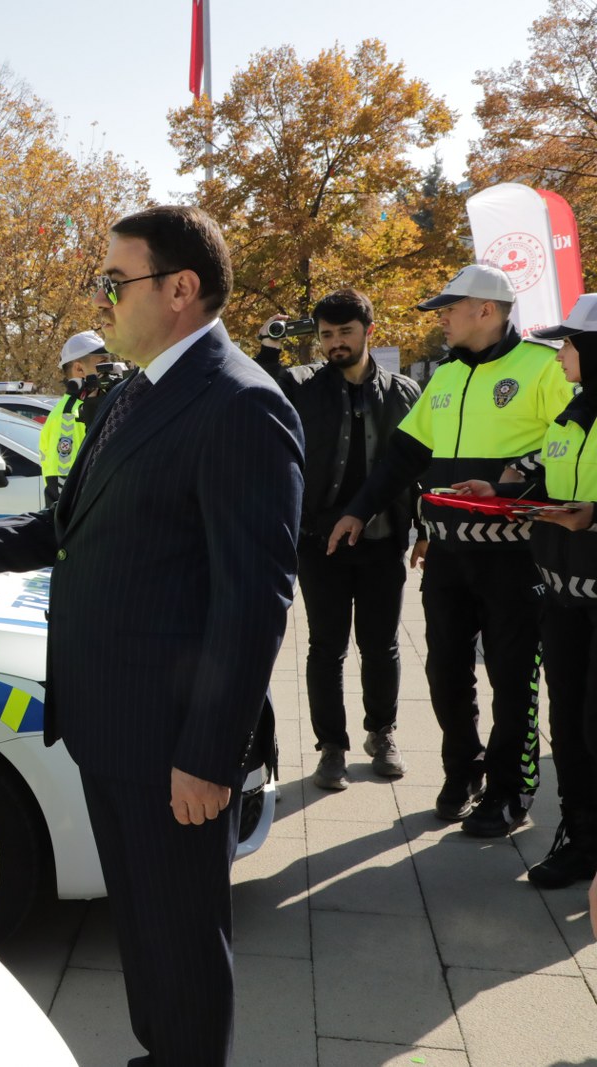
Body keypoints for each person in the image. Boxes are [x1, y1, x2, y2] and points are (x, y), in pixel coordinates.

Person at [0, 204, 304, 1067]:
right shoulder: (132, 392)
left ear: (180, 288)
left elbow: (254, 599)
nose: (103, 298)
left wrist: (209, 754)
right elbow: (71, 521)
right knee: (144, 925)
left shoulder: (240, 404)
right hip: (105, 723)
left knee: (185, 938)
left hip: (173, 746)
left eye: (114, 281)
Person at [330, 265, 573, 835]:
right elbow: (404, 455)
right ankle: (462, 771)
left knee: (513, 677)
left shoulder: (542, 366)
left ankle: (511, 790)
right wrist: (357, 511)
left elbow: (575, 437)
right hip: (446, 554)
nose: (440, 315)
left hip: (517, 558)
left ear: (485, 310)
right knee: (445, 671)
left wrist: (518, 479)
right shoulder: (444, 376)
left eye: (449, 306)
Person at [450, 295, 597, 887]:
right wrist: (500, 489)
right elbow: (542, 473)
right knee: (569, 728)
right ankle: (582, 840)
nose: (559, 353)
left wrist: (591, 517)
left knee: (593, 726)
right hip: (561, 598)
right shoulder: (571, 415)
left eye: (568, 343)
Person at [255, 290, 422, 790]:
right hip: (319, 541)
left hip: (382, 539)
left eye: (345, 332)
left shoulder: (402, 393)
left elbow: (419, 466)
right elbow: (255, 396)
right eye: (326, 335)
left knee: (382, 645)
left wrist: (426, 528)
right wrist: (268, 348)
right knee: (326, 648)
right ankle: (331, 746)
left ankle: (382, 733)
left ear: (368, 331)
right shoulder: (302, 385)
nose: (335, 343)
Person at [39, 330, 107, 504]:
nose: (110, 368)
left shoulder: (91, 404)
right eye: (103, 362)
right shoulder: (69, 414)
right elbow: (62, 477)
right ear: (79, 369)